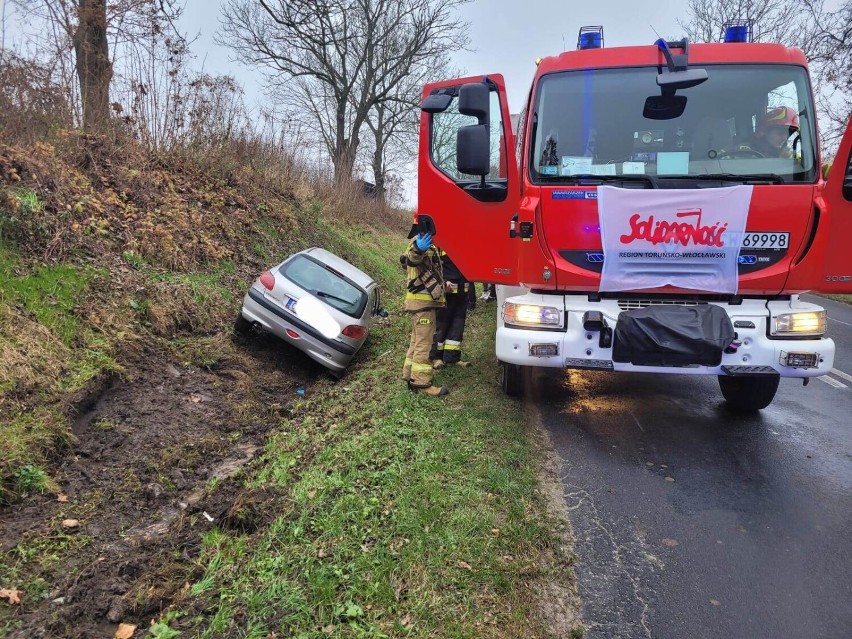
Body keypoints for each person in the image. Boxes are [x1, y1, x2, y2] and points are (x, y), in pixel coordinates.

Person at [401, 225, 449, 396]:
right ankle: (421, 384)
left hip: (419, 304)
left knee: (416, 341)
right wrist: (418, 249)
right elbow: (412, 259)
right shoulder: (418, 245)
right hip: (423, 305)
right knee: (424, 344)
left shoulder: (426, 245)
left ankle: (408, 375)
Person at [430, 250, 473, 370]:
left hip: (462, 293)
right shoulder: (439, 245)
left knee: (457, 326)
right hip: (445, 294)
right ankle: (436, 358)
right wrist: (442, 282)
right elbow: (432, 268)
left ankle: (452, 358)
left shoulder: (465, 245)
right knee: (441, 326)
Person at [735, 106, 800, 158]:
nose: (784, 138)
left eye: (787, 134)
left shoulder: (789, 155)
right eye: (780, 133)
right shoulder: (743, 152)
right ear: (764, 132)